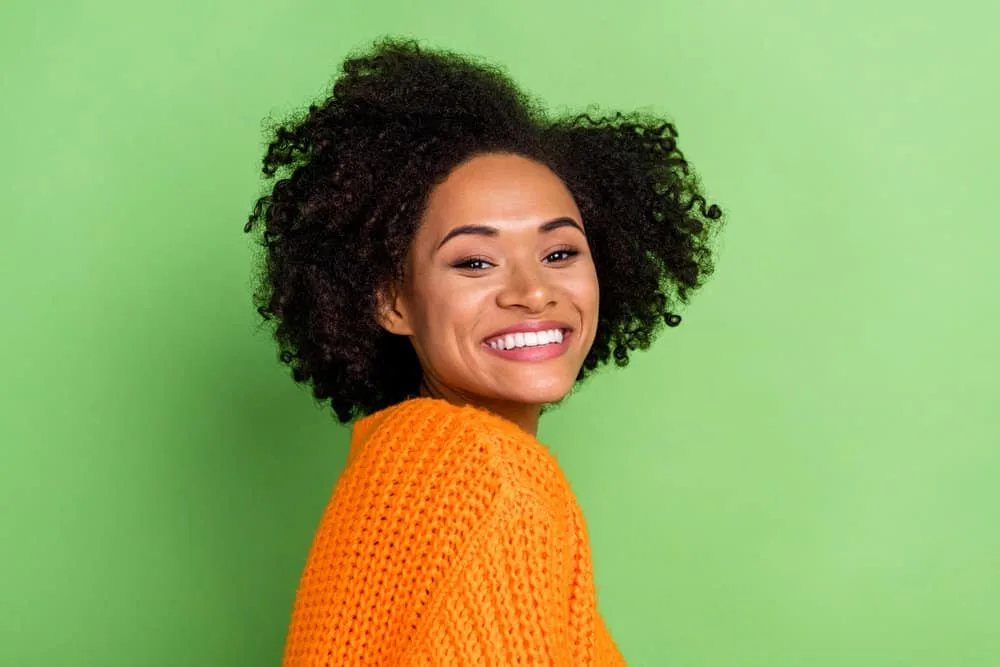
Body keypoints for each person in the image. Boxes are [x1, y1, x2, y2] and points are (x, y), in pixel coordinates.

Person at [244, 37, 723, 666]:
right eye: (474, 261)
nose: (533, 292)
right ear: (393, 302)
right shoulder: (489, 475)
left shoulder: (399, 461)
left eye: (560, 253)